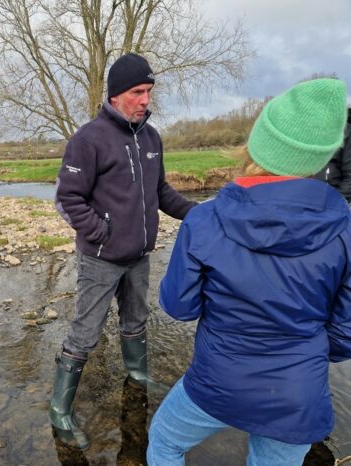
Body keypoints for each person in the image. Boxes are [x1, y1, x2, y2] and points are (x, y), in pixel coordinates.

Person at [147, 78, 351, 466]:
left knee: (165, 442)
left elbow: (179, 306)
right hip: (297, 394)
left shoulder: (204, 219)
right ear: (322, 158)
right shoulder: (345, 230)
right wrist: (303, 352)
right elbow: (345, 333)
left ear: (257, 144)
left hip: (218, 381)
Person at [50, 53, 197, 450]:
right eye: (137, 92)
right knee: (85, 333)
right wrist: (102, 234)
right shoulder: (88, 140)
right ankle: (59, 408)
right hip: (100, 259)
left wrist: (199, 214)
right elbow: (67, 199)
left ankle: (137, 375)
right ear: (115, 95)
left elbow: (160, 193)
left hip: (139, 257)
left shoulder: (151, 138)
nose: (145, 100)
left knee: (136, 321)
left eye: (148, 92)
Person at [315, 107, 351, 202]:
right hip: (298, 198)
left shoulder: (346, 132)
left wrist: (334, 202)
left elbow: (349, 174)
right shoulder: (297, 130)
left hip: (330, 198)